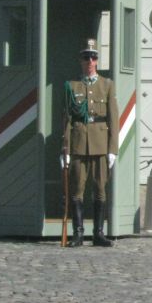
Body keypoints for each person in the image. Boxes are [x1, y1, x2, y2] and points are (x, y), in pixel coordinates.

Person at [60, 39, 118, 247]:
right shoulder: (72, 86)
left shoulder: (107, 85)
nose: (90, 62)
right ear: (81, 61)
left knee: (100, 188)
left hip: (101, 144)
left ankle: (98, 233)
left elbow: (113, 118)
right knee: (77, 190)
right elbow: (67, 118)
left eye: (93, 58)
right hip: (77, 144)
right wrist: (65, 148)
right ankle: (78, 233)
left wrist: (113, 149)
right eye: (86, 58)